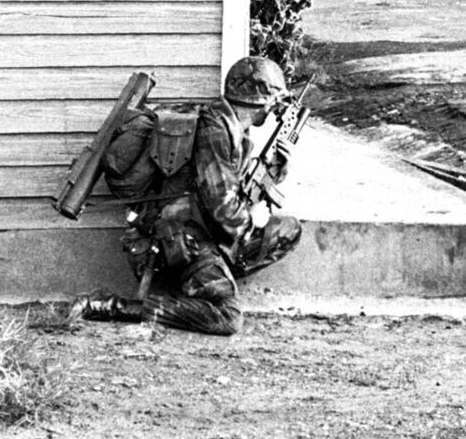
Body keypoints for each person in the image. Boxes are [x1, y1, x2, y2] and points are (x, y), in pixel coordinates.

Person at [69, 56, 302, 335]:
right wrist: (253, 218)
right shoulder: (215, 129)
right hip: (177, 240)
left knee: (289, 231)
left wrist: (277, 171)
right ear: (263, 102)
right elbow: (225, 213)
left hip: (202, 231)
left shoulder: (234, 128)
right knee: (228, 317)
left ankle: (208, 280)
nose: (276, 110)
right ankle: (121, 306)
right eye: (275, 103)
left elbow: (228, 193)